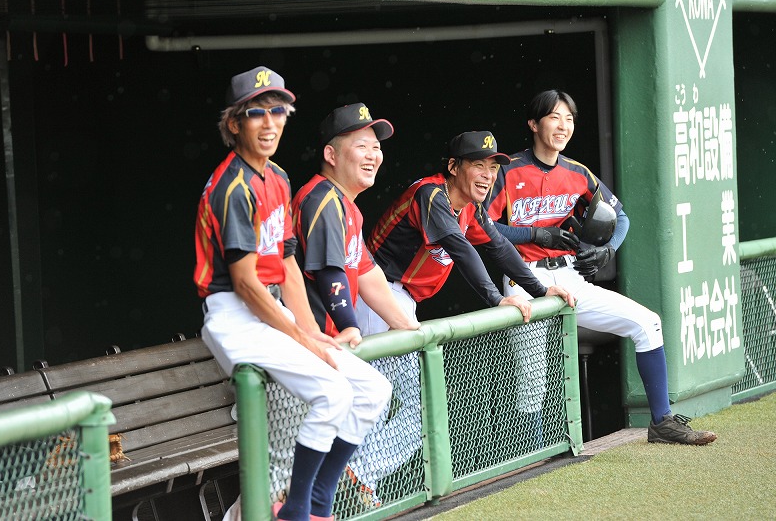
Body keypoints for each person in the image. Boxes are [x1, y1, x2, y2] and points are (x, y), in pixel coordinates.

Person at [194, 66, 392, 521]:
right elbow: (245, 283)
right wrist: (303, 337)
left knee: (373, 390)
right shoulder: (232, 186)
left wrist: (308, 330)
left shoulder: (278, 178)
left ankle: (315, 503)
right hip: (234, 315)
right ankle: (298, 511)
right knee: (331, 394)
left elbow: (285, 265)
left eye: (278, 112)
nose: (270, 123)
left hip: (271, 311)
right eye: (257, 113)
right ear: (234, 123)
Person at [351, 130, 576, 505]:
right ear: (454, 167)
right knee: (392, 399)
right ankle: (351, 474)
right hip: (376, 295)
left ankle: (356, 475)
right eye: (478, 165)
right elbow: (460, 248)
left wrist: (540, 290)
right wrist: (495, 298)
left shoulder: (470, 207)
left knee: (405, 402)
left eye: (493, 167)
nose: (488, 175)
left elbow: (499, 247)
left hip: (398, 300)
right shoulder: (431, 194)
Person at [485, 89, 717, 445]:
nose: (563, 126)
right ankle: (532, 457)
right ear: (533, 124)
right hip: (524, 274)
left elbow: (620, 217)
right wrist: (535, 233)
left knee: (648, 323)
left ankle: (662, 422)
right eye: (554, 117)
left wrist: (608, 250)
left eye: (569, 119)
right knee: (532, 379)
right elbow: (481, 226)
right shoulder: (508, 170)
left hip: (569, 275)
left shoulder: (577, 173)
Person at [291, 103, 422, 508]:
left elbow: (367, 275)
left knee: (285, 481)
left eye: (376, 147)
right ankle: (328, 493)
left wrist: (406, 325)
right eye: (361, 146)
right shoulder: (320, 199)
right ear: (331, 155)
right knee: (278, 478)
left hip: (323, 353)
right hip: (303, 351)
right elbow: (329, 272)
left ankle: (330, 493)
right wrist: (349, 323)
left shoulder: (346, 205)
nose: (373, 154)